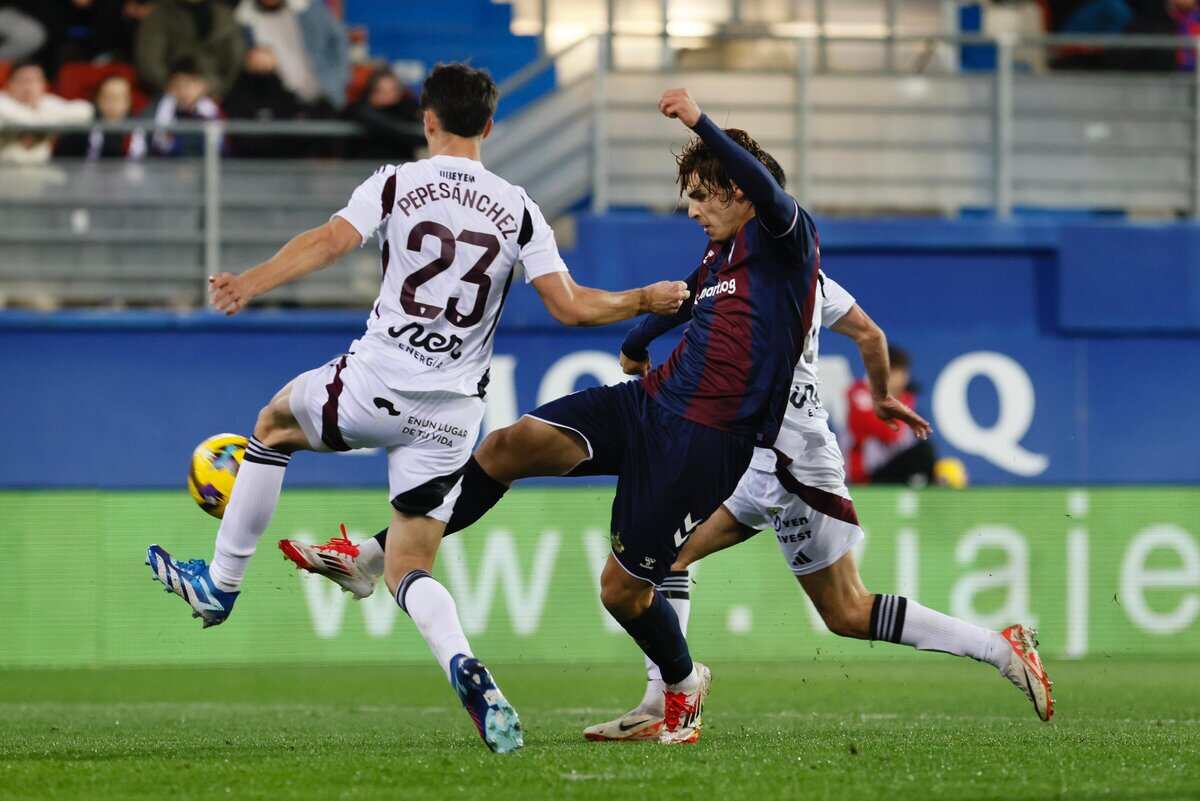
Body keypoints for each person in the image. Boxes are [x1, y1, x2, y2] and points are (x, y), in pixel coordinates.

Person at [144, 63, 689, 754]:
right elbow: (571, 305)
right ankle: (471, 670)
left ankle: (219, 584)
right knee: (407, 565)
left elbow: (329, 240)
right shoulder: (519, 207)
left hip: (377, 381)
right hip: (452, 415)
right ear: (490, 125)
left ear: (427, 120)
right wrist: (645, 300)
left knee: (273, 424)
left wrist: (250, 280)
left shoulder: (397, 182)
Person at [281, 88, 823, 746]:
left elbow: (764, 186)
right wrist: (635, 340)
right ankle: (368, 559)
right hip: (650, 404)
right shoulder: (719, 255)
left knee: (622, 593)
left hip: (707, 441)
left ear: (739, 189)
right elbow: (689, 302)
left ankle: (682, 685)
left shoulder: (786, 238)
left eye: (704, 195)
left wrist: (697, 120)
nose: (692, 208)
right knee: (509, 445)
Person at [844, 344, 937, 486]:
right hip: (864, 476)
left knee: (927, 453)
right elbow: (890, 433)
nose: (905, 379)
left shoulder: (897, 398)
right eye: (901, 373)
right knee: (923, 453)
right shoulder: (859, 394)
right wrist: (903, 401)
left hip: (888, 467)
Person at [234, 0, 349, 111]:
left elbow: (338, 43)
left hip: (322, 100)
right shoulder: (242, 18)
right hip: (276, 104)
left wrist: (334, 83)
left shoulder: (309, 8)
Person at [136, 0, 243, 98]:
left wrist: (211, 87)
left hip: (215, 95)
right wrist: (175, 87)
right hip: (166, 93)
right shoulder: (159, 15)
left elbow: (234, 60)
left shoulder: (224, 15)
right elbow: (149, 61)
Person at [0, 60, 93, 163]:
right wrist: (45, 124)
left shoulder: (47, 103)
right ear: (9, 84)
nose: (28, 87)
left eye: (34, 81)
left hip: (40, 172)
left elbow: (85, 110)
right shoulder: (3, 101)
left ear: (44, 84)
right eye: (23, 81)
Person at [223, 45, 307, 157]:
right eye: (257, 65)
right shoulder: (234, 98)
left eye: (265, 65)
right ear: (248, 65)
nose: (261, 69)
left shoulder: (286, 98)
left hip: (283, 162)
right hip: (243, 163)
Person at [55, 73, 146, 159]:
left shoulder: (141, 132)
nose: (113, 104)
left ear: (128, 102)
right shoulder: (80, 132)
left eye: (118, 98)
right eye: (107, 97)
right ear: (98, 100)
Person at [142, 59, 220, 157]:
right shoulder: (152, 113)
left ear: (204, 86)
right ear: (170, 86)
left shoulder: (212, 112)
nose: (185, 91)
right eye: (180, 84)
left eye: (192, 84)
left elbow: (219, 150)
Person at [345, 67, 424, 161]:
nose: (388, 95)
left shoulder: (408, 109)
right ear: (372, 92)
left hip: (400, 168)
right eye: (382, 90)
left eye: (393, 90)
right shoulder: (361, 111)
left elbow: (424, 136)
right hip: (366, 167)